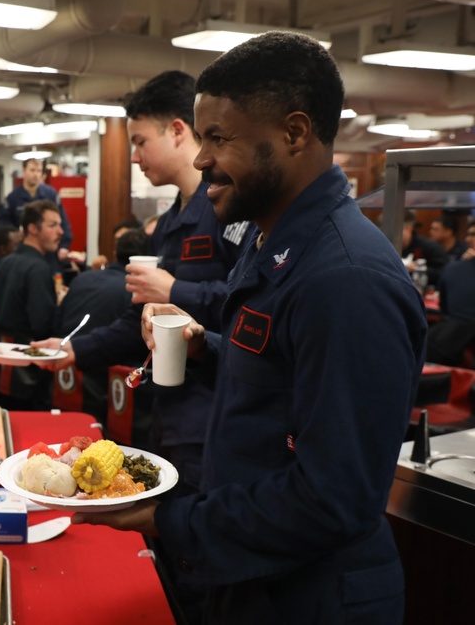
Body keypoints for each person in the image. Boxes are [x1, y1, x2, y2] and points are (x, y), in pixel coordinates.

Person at [76, 31, 427, 625]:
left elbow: (331, 500)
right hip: (254, 577)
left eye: (219, 138)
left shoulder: (346, 279)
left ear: (294, 133)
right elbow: (284, 370)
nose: (203, 158)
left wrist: (167, 517)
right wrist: (207, 347)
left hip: (313, 600)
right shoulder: (272, 242)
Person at [36, 70, 255, 625]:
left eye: (139, 141)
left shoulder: (227, 207)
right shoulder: (169, 226)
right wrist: (71, 351)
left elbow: (254, 304)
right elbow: (138, 323)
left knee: (200, 553)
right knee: (170, 554)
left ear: (179, 131)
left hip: (214, 411)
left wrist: (178, 291)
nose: (134, 155)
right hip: (168, 408)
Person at [56, 228, 149, 421]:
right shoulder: (136, 292)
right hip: (107, 388)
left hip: (63, 377)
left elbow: (58, 321)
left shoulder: (81, 278)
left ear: (115, 253)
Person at [0, 200, 65, 411]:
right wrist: (59, 305)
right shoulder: (38, 268)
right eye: (52, 225)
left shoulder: (6, 261)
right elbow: (42, 324)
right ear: (33, 228)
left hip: (2, 358)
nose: (60, 231)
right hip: (28, 365)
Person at [0, 158, 73, 268]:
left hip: (49, 251)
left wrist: (64, 246)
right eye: (32, 170)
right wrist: (16, 234)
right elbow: (3, 224)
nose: (36, 174)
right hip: (24, 250)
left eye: (39, 171)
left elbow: (62, 222)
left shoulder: (50, 194)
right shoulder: (13, 197)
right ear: (24, 171)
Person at [427, 219, 475, 366]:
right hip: (456, 349)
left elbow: (445, 309)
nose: (468, 239)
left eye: (472, 235)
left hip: (449, 347)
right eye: (469, 234)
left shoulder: (453, 268)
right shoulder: (454, 269)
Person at [400, 209, 448, 287]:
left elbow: (443, 273)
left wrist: (418, 269)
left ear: (409, 228)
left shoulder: (430, 247)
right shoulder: (388, 247)